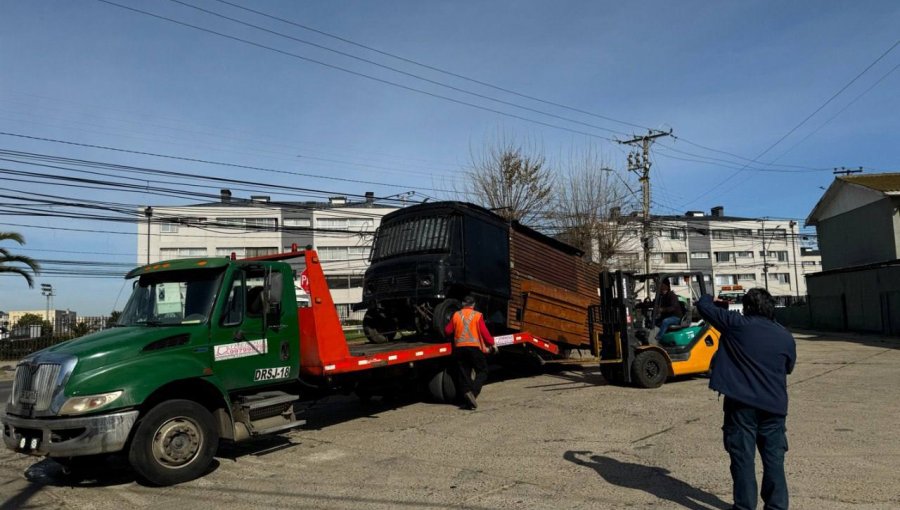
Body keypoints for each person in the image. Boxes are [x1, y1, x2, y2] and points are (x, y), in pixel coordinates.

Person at [697, 288, 797, 510]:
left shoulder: (736, 324)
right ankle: (777, 506)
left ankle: (744, 506)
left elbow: (704, 307)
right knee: (774, 460)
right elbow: (788, 367)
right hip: (775, 407)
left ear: (747, 307)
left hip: (741, 406)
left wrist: (709, 297)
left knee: (743, 459)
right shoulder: (785, 335)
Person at [443, 295, 496, 410]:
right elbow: (484, 332)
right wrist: (492, 343)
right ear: (473, 305)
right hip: (473, 348)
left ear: (462, 304)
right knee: (483, 370)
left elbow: (447, 331)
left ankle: (468, 398)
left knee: (464, 374)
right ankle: (473, 393)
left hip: (459, 349)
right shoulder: (477, 315)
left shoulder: (456, 315)